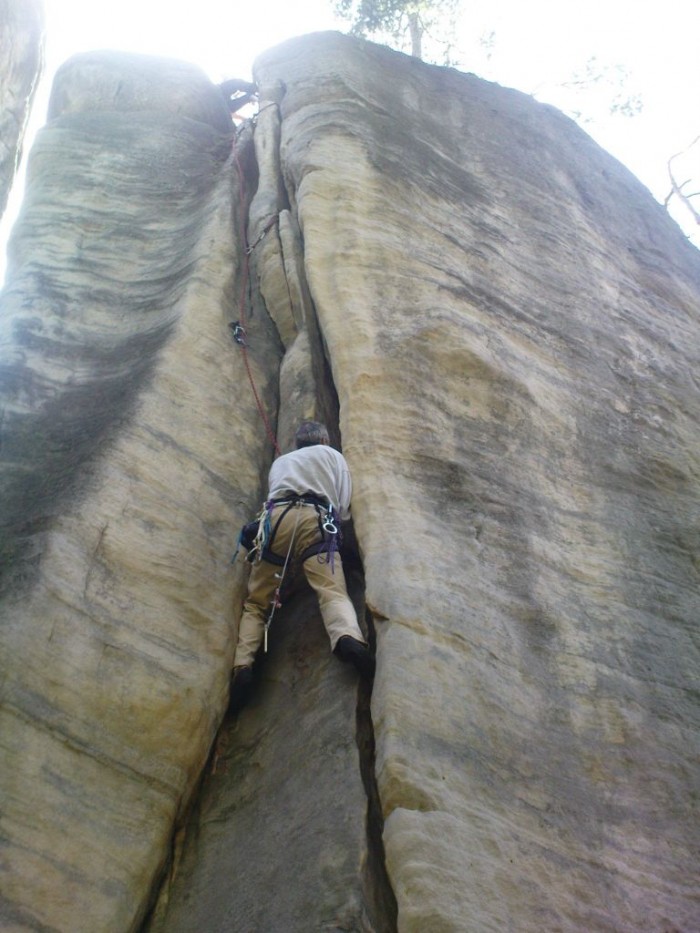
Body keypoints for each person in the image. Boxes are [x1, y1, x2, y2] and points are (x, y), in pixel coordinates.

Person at [229, 421, 374, 712]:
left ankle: (242, 666)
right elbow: (343, 506)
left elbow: (274, 494)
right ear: (324, 439)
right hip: (315, 519)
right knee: (331, 590)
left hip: (275, 522)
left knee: (257, 604)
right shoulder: (333, 456)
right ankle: (346, 637)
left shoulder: (281, 462)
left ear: (298, 444)